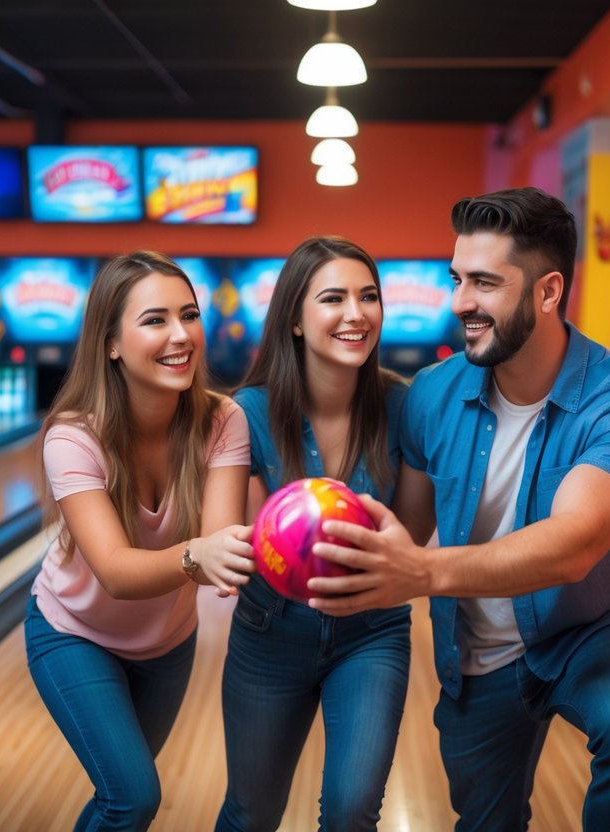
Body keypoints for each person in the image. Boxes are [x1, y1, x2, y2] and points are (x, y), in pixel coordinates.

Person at [307, 188, 610, 831]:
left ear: (548, 292)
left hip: (592, 626)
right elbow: (411, 527)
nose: (460, 303)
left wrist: (421, 573)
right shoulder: (432, 394)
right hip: (474, 649)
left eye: (483, 283)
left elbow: (573, 545)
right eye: (456, 279)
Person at [26, 251, 255, 832]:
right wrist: (198, 557)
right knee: (133, 796)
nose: (181, 335)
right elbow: (116, 572)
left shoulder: (223, 420)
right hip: (72, 632)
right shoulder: (73, 436)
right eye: (155, 320)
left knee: (119, 800)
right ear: (111, 343)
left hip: (167, 643)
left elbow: (218, 546)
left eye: (190, 315)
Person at [214, 236, 412, 832]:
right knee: (252, 814)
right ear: (295, 320)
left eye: (368, 296)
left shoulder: (404, 406)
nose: (356, 313)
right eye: (333, 298)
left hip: (372, 634)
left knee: (352, 813)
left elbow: (414, 537)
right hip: (269, 634)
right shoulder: (245, 412)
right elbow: (227, 537)